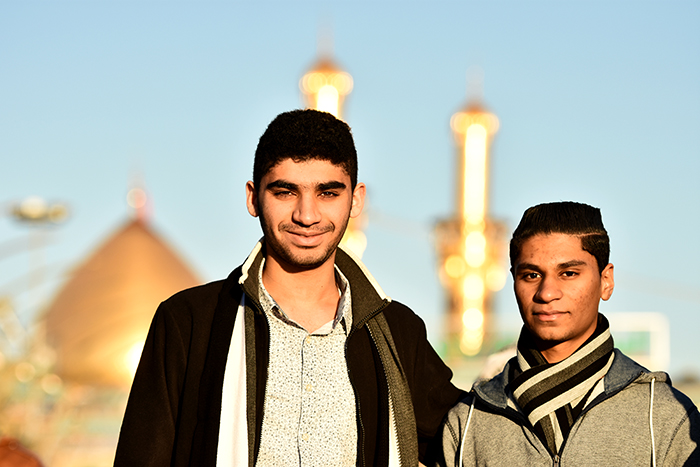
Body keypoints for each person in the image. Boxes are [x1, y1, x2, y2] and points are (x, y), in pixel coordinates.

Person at [114, 109, 463, 467]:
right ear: (253, 198)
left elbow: (466, 441)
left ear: (357, 200)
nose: (306, 215)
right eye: (285, 192)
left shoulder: (395, 333)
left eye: (328, 193)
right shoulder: (190, 325)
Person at [436, 201, 700, 466]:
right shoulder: (468, 421)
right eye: (531, 275)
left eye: (569, 273)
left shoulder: (663, 416)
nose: (547, 293)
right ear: (513, 279)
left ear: (606, 281)